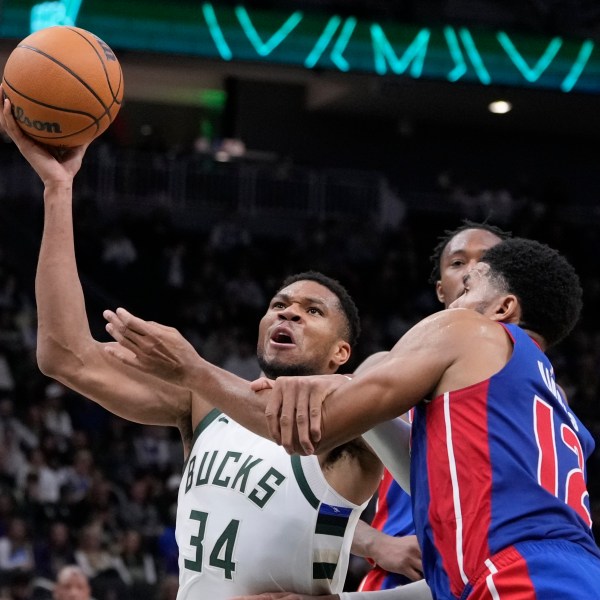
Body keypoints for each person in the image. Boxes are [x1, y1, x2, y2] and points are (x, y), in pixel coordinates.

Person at [0, 93, 382, 599]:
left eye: (313, 311)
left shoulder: (350, 426)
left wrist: (193, 367)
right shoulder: (205, 403)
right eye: (280, 303)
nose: (288, 311)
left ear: (341, 352)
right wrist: (57, 189)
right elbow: (62, 355)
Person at [102, 238, 599, 599]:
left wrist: (190, 367)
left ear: (503, 308)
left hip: (519, 581)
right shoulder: (553, 410)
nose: (455, 298)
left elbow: (309, 429)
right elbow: (434, 502)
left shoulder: (470, 330)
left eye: (469, 286)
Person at [354, 221, 510, 592]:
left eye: (487, 261)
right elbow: (301, 480)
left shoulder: (538, 385)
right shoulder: (381, 369)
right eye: (457, 262)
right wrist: (373, 543)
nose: (472, 270)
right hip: (398, 581)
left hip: (496, 579)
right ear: (441, 290)